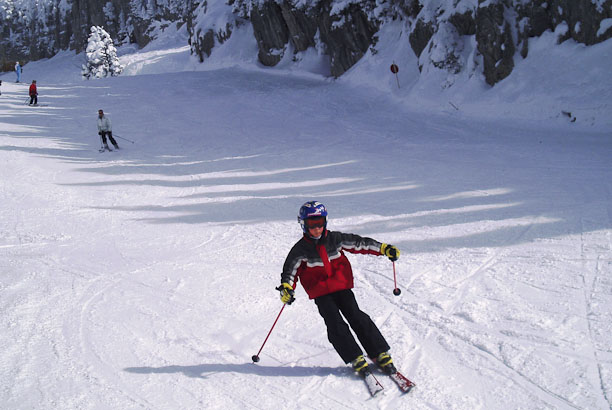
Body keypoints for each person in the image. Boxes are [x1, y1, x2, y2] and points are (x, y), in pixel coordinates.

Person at [278, 201, 401, 377]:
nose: (317, 229)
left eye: (320, 223)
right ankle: (355, 356)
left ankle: (379, 351)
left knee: (356, 315)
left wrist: (383, 248)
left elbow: (360, 244)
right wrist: (287, 288)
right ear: (303, 224)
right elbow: (290, 271)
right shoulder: (300, 249)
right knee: (335, 323)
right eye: (312, 225)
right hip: (321, 293)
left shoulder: (335, 239)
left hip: (341, 287)